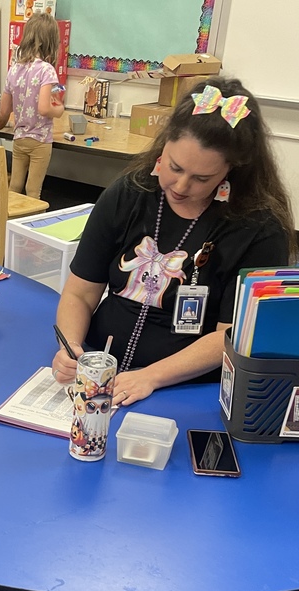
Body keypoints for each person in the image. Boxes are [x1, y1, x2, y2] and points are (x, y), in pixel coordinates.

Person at [51, 77, 296, 407]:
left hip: (185, 389)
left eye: (201, 178)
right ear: (163, 144)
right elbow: (81, 291)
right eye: (175, 167)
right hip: (101, 364)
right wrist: (71, 348)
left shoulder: (258, 229)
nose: (180, 185)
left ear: (231, 171)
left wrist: (150, 377)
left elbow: (229, 335)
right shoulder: (128, 194)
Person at [3, 13, 64, 198]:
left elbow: (4, 110)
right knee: (33, 190)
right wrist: (59, 110)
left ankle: (9, 224)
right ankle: (30, 225)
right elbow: (45, 108)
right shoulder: (47, 70)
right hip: (40, 140)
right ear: (51, 42)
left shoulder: (14, 68)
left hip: (20, 137)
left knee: (14, 187)